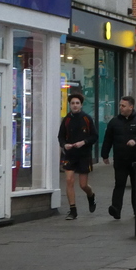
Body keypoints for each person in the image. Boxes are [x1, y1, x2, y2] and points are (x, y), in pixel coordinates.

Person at [100, 95, 136, 219]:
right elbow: (108, 139)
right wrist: (105, 154)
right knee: (119, 184)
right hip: (120, 159)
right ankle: (116, 209)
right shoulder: (114, 122)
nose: (121, 108)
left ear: (131, 107)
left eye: (123, 106)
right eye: (120, 105)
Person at [57, 91, 98, 220]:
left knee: (83, 185)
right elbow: (61, 137)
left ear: (81, 105)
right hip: (70, 155)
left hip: (84, 155)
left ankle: (91, 196)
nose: (75, 105)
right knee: (69, 180)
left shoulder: (86, 118)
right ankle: (72, 210)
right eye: (72, 103)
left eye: (77, 103)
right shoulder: (67, 119)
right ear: (69, 105)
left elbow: (94, 136)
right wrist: (65, 145)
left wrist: (83, 142)